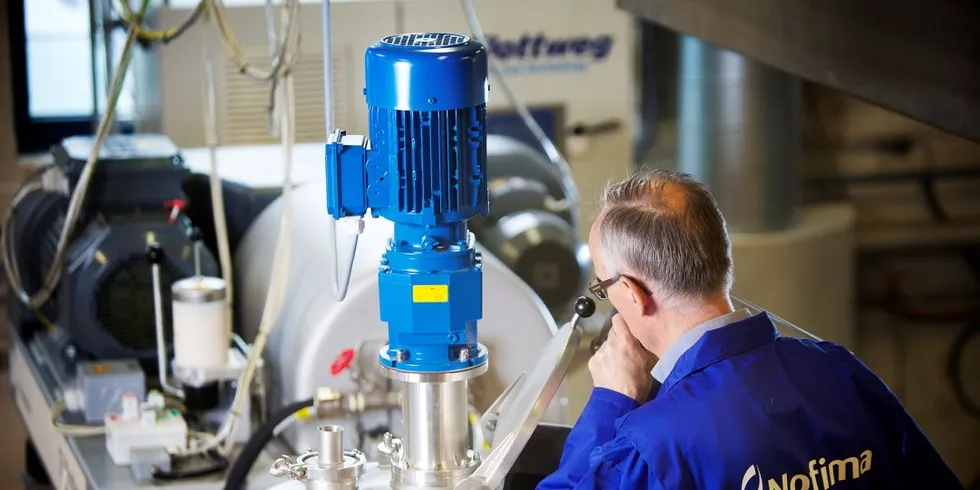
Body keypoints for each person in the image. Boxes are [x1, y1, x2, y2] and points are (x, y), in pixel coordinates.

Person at [537, 169, 962, 489]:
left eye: (602, 286)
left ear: (631, 292)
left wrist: (612, 401)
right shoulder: (842, 372)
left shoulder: (650, 447)